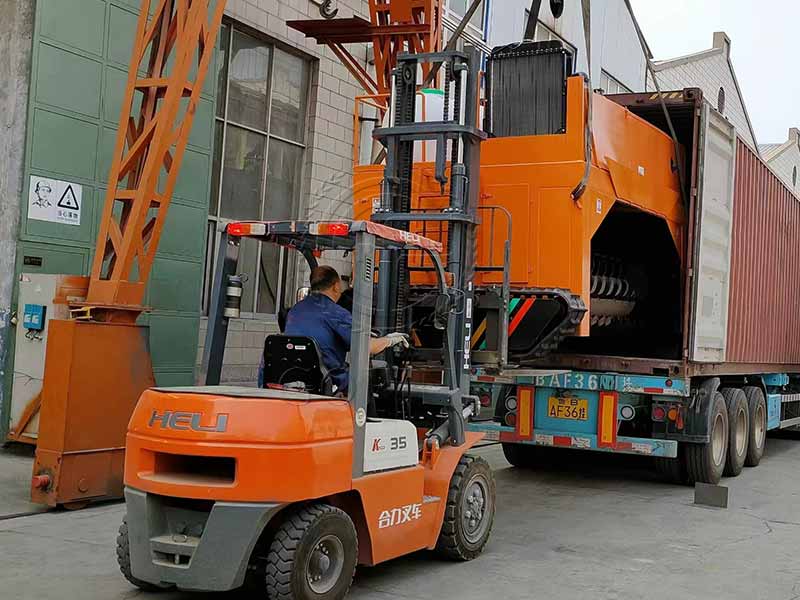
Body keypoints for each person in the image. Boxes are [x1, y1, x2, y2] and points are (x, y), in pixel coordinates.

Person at [279, 265, 408, 393]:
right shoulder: (335, 313)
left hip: (291, 378)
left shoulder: (295, 310)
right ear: (336, 286)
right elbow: (366, 347)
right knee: (365, 383)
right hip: (328, 380)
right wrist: (389, 340)